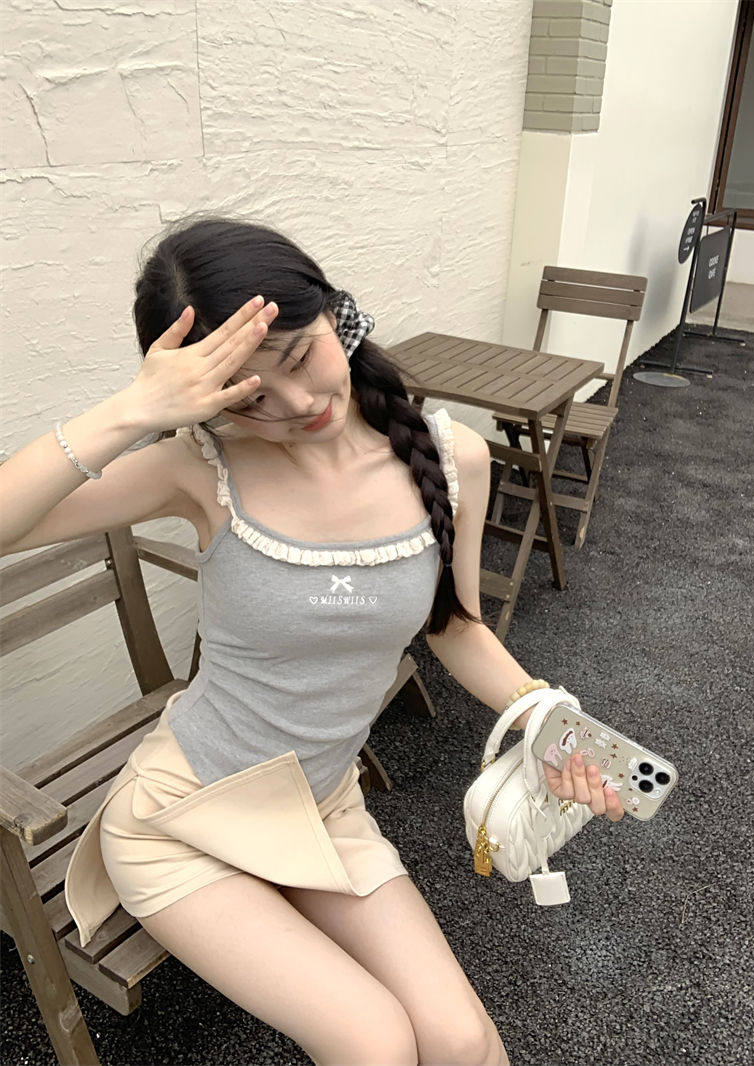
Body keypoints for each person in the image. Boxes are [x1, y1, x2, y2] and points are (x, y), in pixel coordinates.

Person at [1, 214, 623, 1066]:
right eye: (247, 397)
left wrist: (551, 721)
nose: (296, 406)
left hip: (323, 807)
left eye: (299, 357)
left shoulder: (452, 460)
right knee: (376, 1042)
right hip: (183, 817)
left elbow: (455, 628)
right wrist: (132, 409)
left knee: (464, 1043)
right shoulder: (197, 468)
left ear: (335, 312)